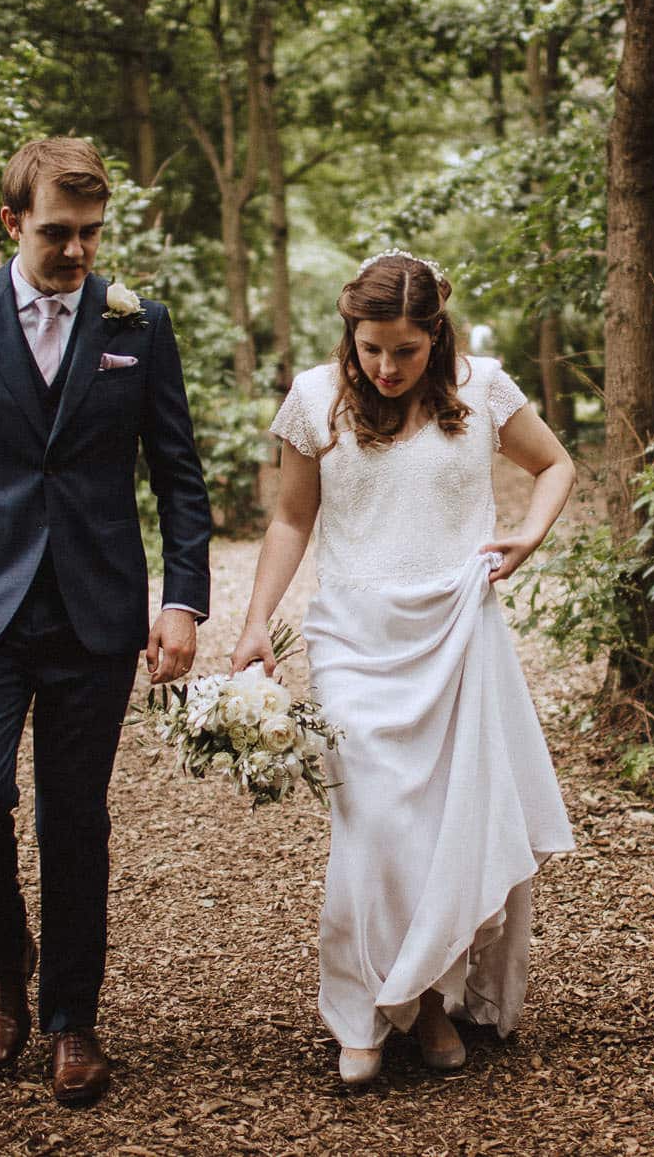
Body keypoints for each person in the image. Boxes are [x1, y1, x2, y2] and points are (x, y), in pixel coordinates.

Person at [0, 136, 213, 1107]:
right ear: (11, 222)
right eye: (58, 233)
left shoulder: (137, 324)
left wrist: (182, 600)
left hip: (95, 611)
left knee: (75, 819)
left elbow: (179, 477)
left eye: (90, 234)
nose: (76, 253)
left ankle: (72, 1019)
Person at [230, 249, 576, 1085]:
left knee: (455, 820)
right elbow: (289, 518)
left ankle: (427, 995)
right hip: (354, 635)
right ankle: (367, 1009)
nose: (385, 367)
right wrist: (253, 625)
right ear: (350, 336)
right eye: (370, 348)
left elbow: (557, 464)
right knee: (376, 826)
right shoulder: (315, 399)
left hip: (460, 630)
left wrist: (528, 535)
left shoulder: (484, 388)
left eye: (405, 351)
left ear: (437, 338)